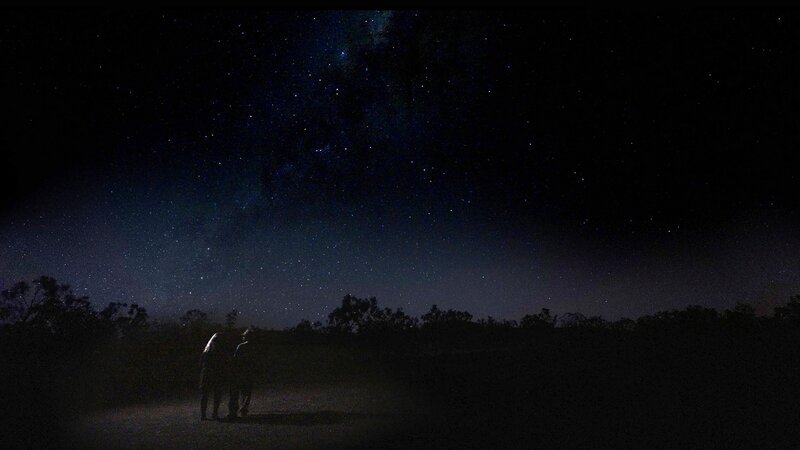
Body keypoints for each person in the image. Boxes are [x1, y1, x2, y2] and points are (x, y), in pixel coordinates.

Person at [227, 328, 255, 419]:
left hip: (240, 372)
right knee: (246, 392)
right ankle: (244, 410)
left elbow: (236, 359)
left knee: (236, 392)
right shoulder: (254, 347)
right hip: (249, 372)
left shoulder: (241, 346)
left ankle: (233, 412)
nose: (243, 338)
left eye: (244, 336)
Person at [199, 332, 224, 420]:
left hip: (206, 374)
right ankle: (214, 414)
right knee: (216, 394)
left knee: (205, 395)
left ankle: (204, 415)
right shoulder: (219, 351)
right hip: (215, 374)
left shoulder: (206, 351)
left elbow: (200, 364)